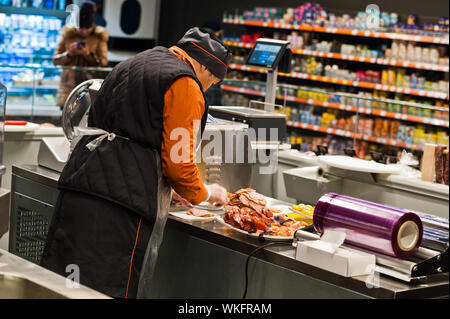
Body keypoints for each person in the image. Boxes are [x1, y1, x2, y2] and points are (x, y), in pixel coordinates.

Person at [41, 27, 232, 299]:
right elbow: (179, 164)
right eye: (211, 81)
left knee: (64, 285)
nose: (206, 88)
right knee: (107, 288)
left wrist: (167, 188)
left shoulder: (135, 62)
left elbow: (126, 131)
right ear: (201, 66)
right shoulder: (185, 83)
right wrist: (204, 192)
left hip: (80, 187)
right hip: (121, 207)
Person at [53, 1, 109, 108]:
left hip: (89, 85)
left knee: (86, 116)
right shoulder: (68, 35)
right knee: (65, 116)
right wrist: (69, 54)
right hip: (67, 86)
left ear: (91, 26)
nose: (83, 31)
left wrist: (87, 54)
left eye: (86, 28)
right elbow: (55, 60)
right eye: (80, 28)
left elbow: (103, 63)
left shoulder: (99, 37)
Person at [202, 19, 225, 106]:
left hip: (195, 86)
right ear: (217, 32)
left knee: (196, 117)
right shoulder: (218, 45)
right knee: (208, 116)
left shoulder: (195, 41)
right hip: (211, 87)